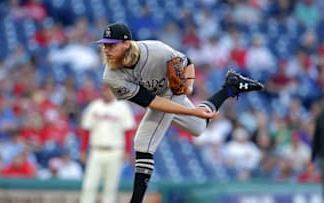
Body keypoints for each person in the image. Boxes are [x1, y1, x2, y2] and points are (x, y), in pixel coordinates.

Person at [95, 22, 264, 203]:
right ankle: (230, 88)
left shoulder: (155, 51)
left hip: (171, 90)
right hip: (158, 99)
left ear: (126, 43)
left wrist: (189, 86)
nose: (106, 49)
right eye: (104, 44)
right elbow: (153, 102)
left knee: (143, 142)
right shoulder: (112, 76)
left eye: (111, 44)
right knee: (198, 127)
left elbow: (187, 62)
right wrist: (191, 112)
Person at [80, 84, 136, 203]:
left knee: (110, 188)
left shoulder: (122, 107)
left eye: (109, 90)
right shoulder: (94, 106)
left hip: (115, 151)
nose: (106, 93)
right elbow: (86, 130)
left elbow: (128, 131)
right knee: (89, 185)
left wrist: (127, 151)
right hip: (96, 151)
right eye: (105, 90)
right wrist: (83, 150)